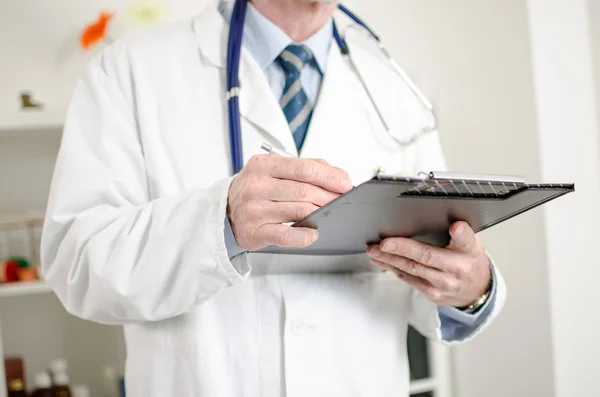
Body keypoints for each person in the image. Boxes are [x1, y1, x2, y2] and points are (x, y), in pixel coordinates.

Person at [40, 0, 507, 396]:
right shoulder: (130, 71)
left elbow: (437, 268)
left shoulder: (391, 86)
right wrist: (219, 222)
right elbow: (76, 262)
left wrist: (470, 289)